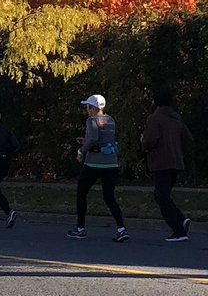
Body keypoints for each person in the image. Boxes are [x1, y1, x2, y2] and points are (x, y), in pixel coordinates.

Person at [68, 94, 128, 242]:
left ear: (93, 108)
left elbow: (94, 138)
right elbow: (105, 139)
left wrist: (81, 151)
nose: (87, 110)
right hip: (111, 163)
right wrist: (86, 141)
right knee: (109, 196)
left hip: (94, 163)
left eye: (87, 107)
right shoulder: (110, 120)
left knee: (81, 193)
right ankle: (121, 229)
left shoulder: (91, 120)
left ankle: (80, 228)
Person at [142, 89, 194, 243]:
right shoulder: (176, 117)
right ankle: (181, 220)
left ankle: (178, 230)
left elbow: (150, 140)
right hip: (176, 161)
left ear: (156, 102)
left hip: (161, 162)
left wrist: (143, 143)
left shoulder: (155, 118)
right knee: (161, 195)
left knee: (162, 197)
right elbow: (188, 139)